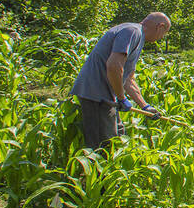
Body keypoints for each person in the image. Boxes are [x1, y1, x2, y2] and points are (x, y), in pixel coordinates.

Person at [69, 12, 171, 150]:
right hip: (96, 95)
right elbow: (114, 66)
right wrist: (122, 98)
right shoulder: (132, 32)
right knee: (104, 145)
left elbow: (128, 79)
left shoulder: (137, 36)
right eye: (164, 32)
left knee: (119, 137)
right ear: (160, 26)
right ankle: (96, 171)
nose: (162, 37)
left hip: (107, 96)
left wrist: (144, 106)